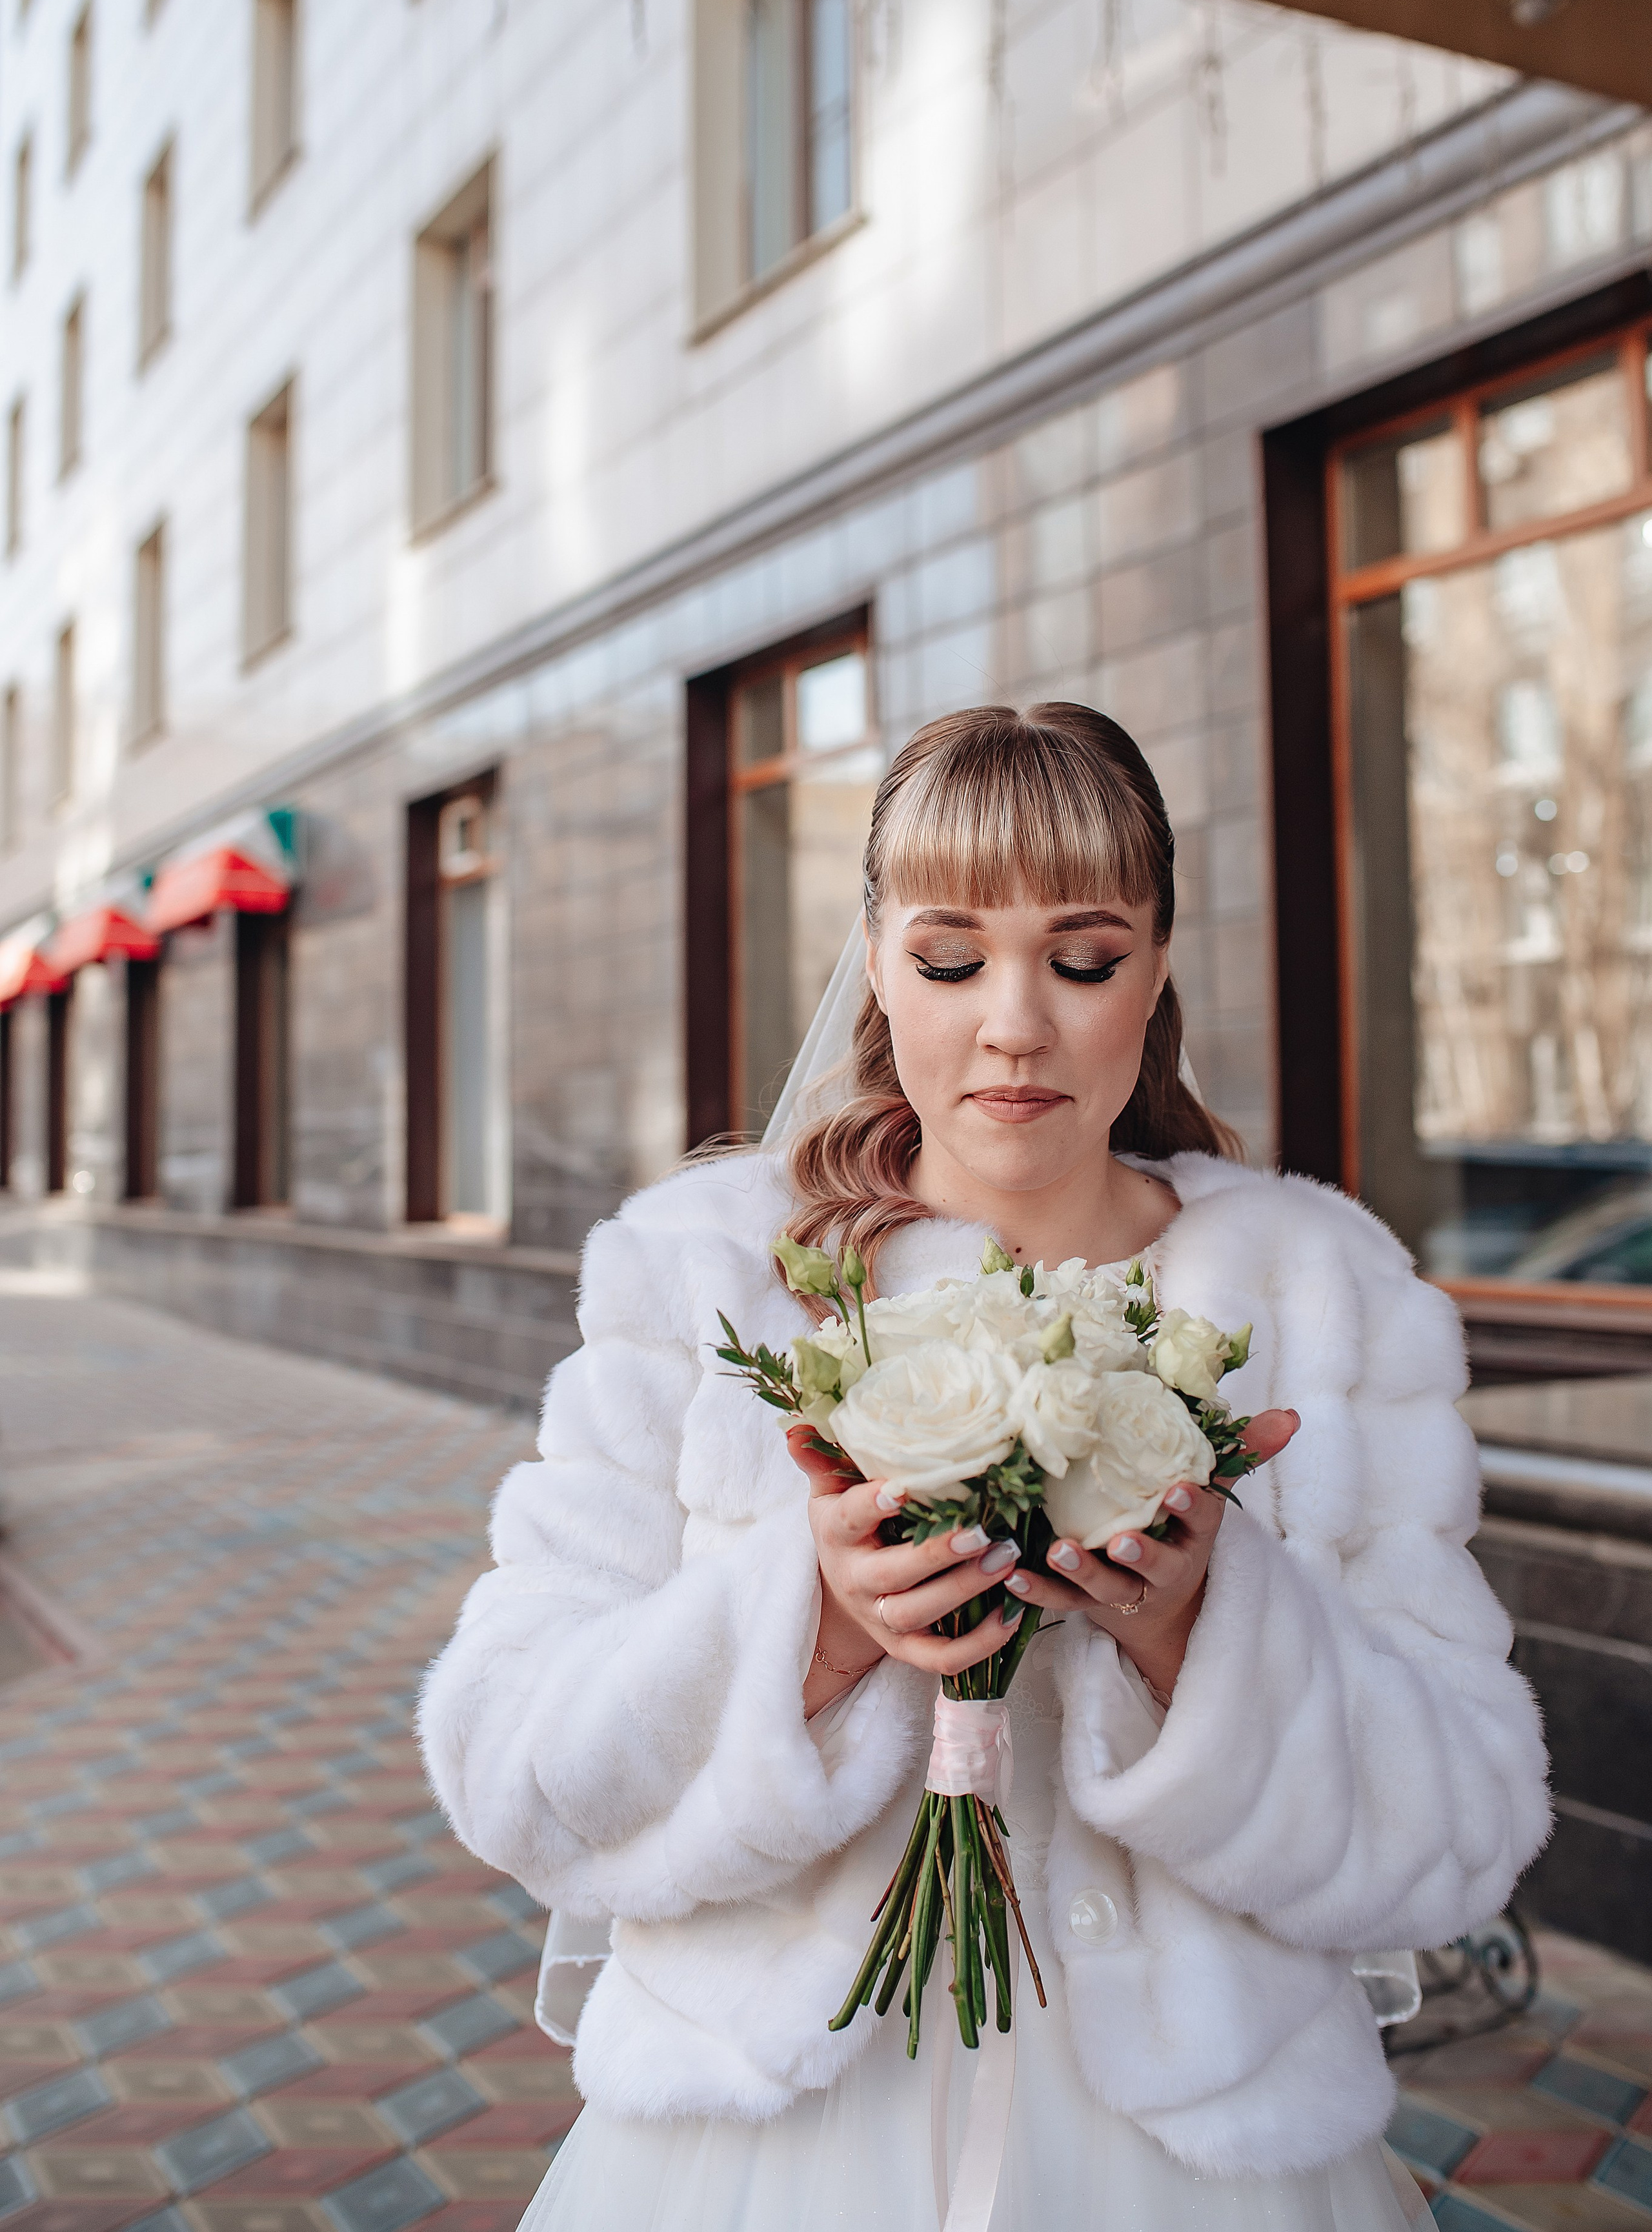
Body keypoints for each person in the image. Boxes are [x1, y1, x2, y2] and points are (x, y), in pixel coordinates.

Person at [419, 703, 1549, 2232]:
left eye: (1080, 959)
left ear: (1152, 971)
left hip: (1197, 2151)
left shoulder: (1317, 1298)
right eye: (951, 958)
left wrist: (1199, 1635)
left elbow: (1462, 1827)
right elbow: (510, 1765)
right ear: (877, 962)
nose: (1012, 1022)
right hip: (768, 2133)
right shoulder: (703, 1281)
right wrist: (807, 1624)